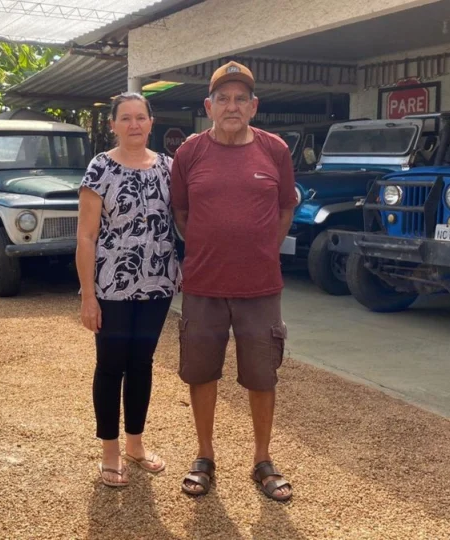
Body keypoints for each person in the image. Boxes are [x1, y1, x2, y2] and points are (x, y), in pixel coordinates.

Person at [171, 61, 296, 502]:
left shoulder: (275, 150)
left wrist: (261, 248)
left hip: (260, 287)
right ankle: (204, 455)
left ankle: (262, 459)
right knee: (201, 372)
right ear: (208, 105)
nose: (231, 105)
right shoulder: (189, 154)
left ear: (254, 106)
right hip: (203, 284)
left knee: (262, 376)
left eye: (241, 98)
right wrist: (215, 246)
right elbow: (182, 214)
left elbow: (285, 208)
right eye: (223, 98)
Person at [76, 92, 181, 488]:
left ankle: (135, 444)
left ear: (151, 122)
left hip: (159, 283)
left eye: (141, 117)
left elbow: (181, 222)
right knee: (110, 365)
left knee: (142, 364)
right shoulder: (100, 167)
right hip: (112, 286)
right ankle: (110, 450)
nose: (134, 124)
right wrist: (88, 294)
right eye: (126, 118)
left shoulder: (169, 168)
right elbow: (86, 237)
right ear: (113, 125)